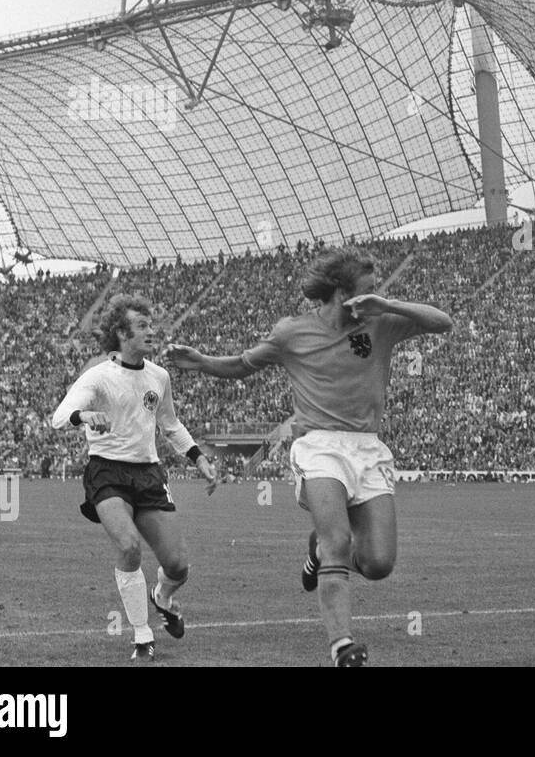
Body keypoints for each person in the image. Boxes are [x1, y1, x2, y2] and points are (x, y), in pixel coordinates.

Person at [164, 248, 453, 667]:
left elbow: (443, 323)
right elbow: (245, 364)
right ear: (340, 292)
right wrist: (202, 362)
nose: (374, 296)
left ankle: (318, 553)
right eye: (368, 290)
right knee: (339, 539)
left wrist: (386, 304)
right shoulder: (292, 332)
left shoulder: (381, 322)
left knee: (378, 563)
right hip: (317, 445)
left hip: (368, 449)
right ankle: (342, 646)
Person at [51, 295, 218, 662]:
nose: (150, 331)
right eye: (141, 326)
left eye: (149, 324)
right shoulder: (98, 375)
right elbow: (60, 416)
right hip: (106, 471)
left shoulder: (159, 376)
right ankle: (142, 636)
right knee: (128, 546)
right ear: (122, 334)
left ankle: (164, 598)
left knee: (177, 565)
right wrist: (84, 416)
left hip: (147, 473)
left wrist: (198, 457)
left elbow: (170, 424)